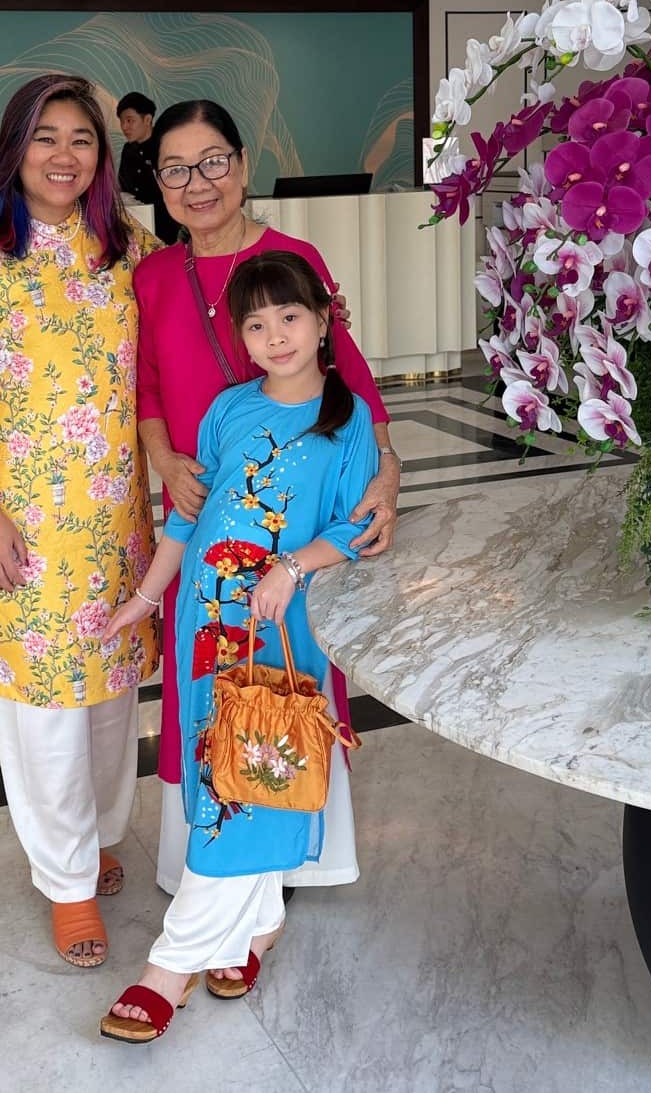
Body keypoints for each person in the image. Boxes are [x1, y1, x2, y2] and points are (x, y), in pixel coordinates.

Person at [0, 74, 161, 970]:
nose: (65, 155)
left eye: (81, 138)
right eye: (46, 137)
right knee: (43, 707)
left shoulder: (125, 247)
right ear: (17, 148)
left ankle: (98, 838)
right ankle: (66, 882)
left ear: (101, 152)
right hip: (19, 522)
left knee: (108, 696)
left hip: (116, 521)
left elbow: (173, 355)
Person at [99, 250, 379, 1043]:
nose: (275, 335)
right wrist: (148, 599)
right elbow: (190, 519)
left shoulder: (348, 417)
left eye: (290, 317)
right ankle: (256, 930)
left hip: (280, 634)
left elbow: (355, 527)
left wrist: (293, 565)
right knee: (220, 774)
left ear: (324, 320)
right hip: (203, 624)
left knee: (251, 781)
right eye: (256, 324)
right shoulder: (227, 410)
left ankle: (168, 967)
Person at [132, 99, 400, 898]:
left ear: (244, 164)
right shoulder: (152, 273)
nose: (197, 183)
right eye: (175, 169)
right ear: (159, 182)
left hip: (295, 529)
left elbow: (347, 369)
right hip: (206, 521)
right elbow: (145, 384)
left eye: (213, 161)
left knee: (285, 675)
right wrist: (165, 457)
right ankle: (212, 865)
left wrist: (385, 467)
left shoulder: (291, 255)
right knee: (203, 683)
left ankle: (284, 843)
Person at [116, 91, 180, 245]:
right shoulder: (128, 150)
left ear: (147, 119)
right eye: (122, 121)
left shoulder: (165, 146)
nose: (124, 127)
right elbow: (123, 187)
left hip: (167, 227)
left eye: (130, 120)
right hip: (136, 224)